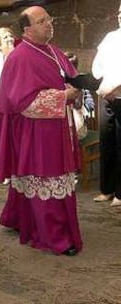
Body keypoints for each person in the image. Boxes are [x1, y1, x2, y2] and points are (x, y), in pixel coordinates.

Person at [0, 6, 83, 256]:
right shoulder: (20, 57)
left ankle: (21, 219)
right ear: (27, 29)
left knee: (47, 180)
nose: (49, 24)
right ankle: (53, 236)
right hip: (37, 132)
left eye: (49, 19)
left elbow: (68, 78)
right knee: (45, 180)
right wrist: (64, 96)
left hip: (58, 126)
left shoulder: (53, 50)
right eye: (42, 21)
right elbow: (24, 102)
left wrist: (79, 86)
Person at [91, 3, 121, 206]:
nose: (120, 16)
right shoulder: (110, 37)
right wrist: (104, 87)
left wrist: (114, 87)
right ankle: (107, 189)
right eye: (119, 12)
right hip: (106, 97)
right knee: (107, 143)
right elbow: (97, 66)